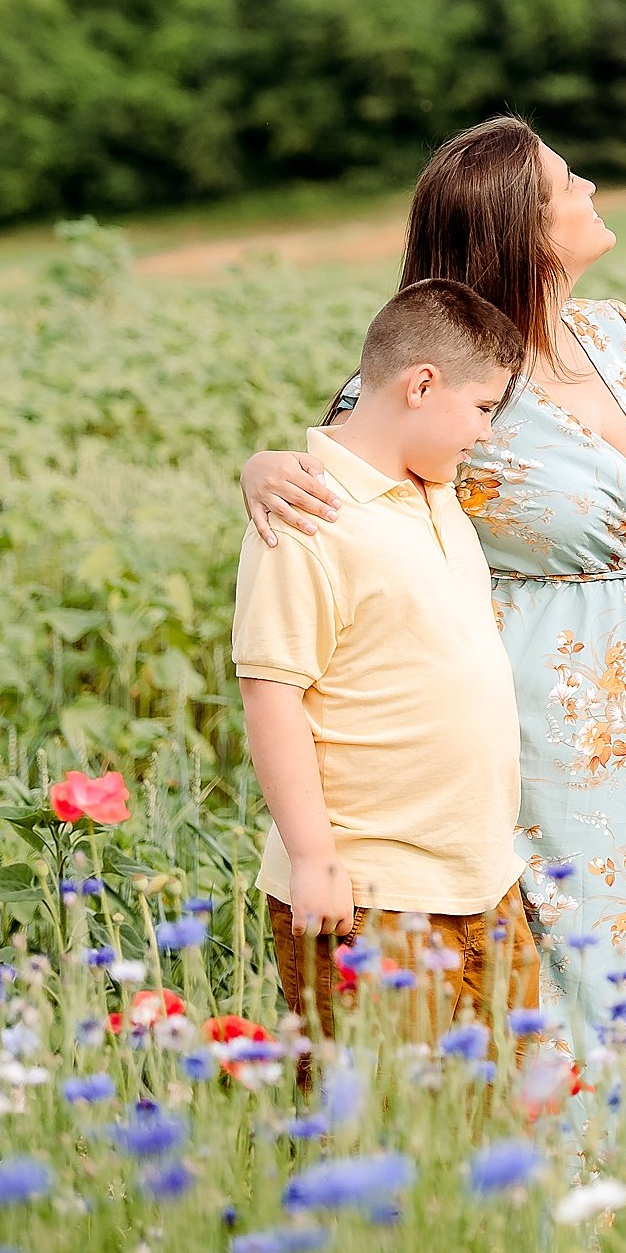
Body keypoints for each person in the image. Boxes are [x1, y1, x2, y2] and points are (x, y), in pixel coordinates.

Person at [239, 117, 626, 1044]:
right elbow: (348, 461)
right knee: (564, 960)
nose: (590, 188)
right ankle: (555, 1172)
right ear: (524, 231)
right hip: (526, 693)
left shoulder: (618, 337)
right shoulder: (460, 375)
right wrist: (260, 469)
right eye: (568, 183)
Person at [232, 278, 539, 1043]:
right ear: (421, 384)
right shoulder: (308, 517)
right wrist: (313, 857)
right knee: (379, 1125)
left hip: (479, 877)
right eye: (483, 409)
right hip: (371, 886)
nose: (487, 433)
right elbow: (272, 695)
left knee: (511, 1114)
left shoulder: (434, 492)